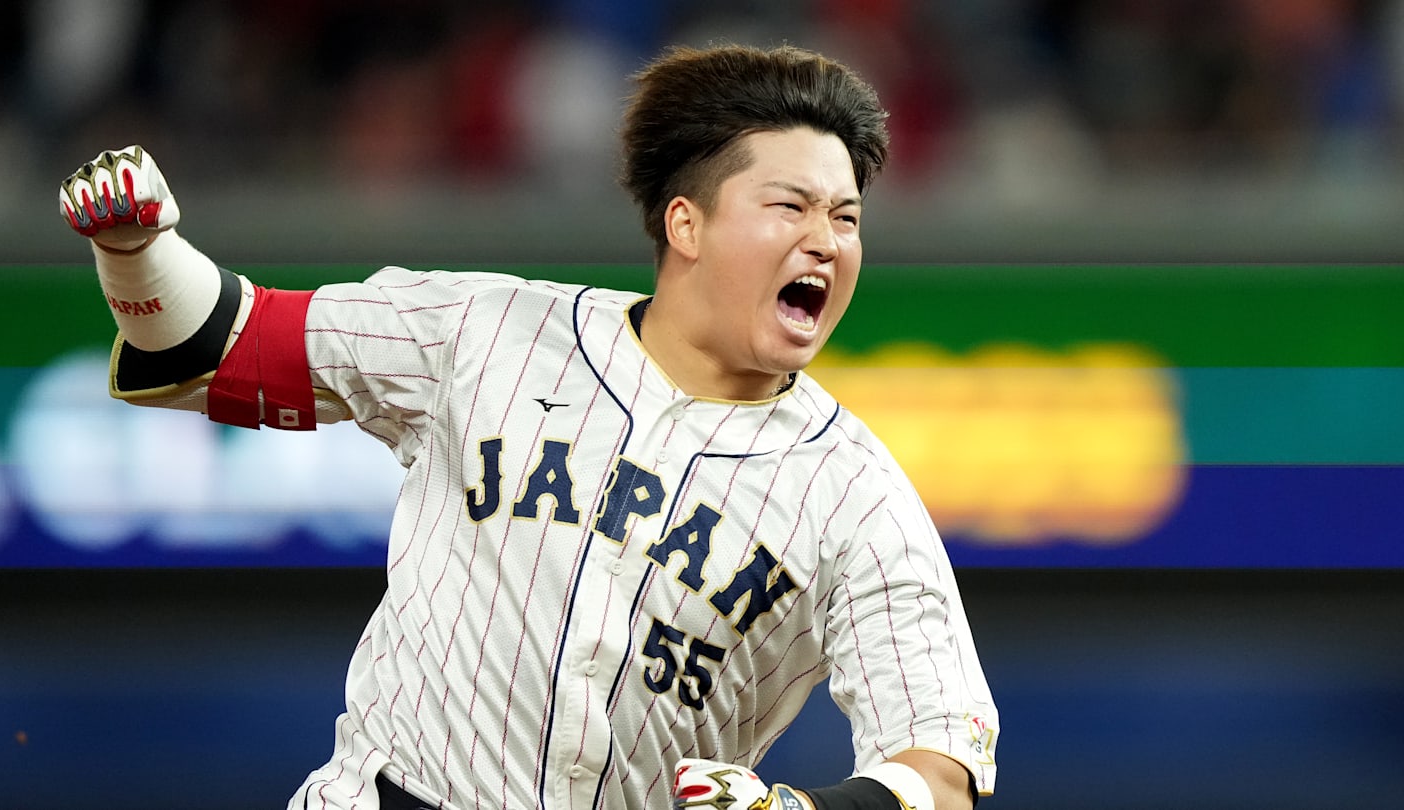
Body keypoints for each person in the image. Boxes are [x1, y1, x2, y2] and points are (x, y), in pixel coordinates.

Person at [59, 43, 997, 810]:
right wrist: (137, 252)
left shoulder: (855, 492)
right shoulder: (485, 329)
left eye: (847, 217)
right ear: (687, 224)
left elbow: (943, 767)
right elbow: (217, 345)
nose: (827, 240)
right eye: (790, 206)